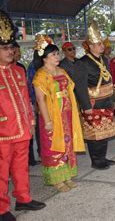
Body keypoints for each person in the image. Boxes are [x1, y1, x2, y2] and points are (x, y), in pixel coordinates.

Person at [0, 6, 46, 221]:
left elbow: (26, 100)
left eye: (11, 47)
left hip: (22, 131)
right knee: (0, 174)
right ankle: (1, 210)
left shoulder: (19, 70)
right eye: (4, 48)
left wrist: (31, 120)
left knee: (21, 168)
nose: (10, 51)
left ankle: (23, 198)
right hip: (0, 133)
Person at [32, 35, 85, 192]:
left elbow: (69, 88)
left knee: (67, 144)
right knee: (53, 146)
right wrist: (47, 121)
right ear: (44, 58)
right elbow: (40, 100)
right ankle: (57, 180)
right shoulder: (40, 75)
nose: (57, 57)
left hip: (66, 114)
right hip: (52, 116)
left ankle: (67, 175)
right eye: (54, 54)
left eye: (57, 54)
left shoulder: (61, 70)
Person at [74, 23, 115, 170]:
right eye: (98, 44)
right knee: (95, 134)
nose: (101, 46)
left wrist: (113, 99)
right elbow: (80, 87)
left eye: (101, 43)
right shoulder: (83, 62)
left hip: (106, 101)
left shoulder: (105, 60)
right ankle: (96, 160)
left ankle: (103, 157)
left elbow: (109, 80)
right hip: (93, 103)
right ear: (90, 46)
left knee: (105, 132)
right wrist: (86, 106)